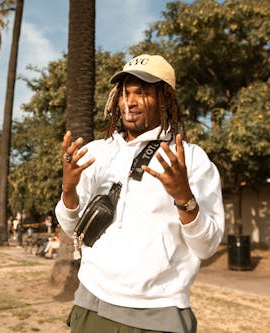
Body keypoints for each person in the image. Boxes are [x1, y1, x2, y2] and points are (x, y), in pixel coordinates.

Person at [55, 54, 224, 333]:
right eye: (125, 93)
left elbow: (206, 247)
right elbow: (71, 226)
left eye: (142, 93)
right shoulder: (97, 152)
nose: (129, 102)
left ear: (165, 99)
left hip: (159, 312)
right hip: (93, 303)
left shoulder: (192, 160)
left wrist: (185, 198)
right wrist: (68, 189)